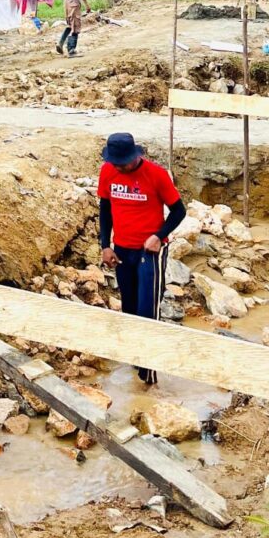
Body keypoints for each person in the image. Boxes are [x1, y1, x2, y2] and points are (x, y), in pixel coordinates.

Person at [97, 132, 187, 387]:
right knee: (129, 309)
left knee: (148, 310)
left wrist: (159, 236)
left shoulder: (156, 175)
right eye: (115, 163)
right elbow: (105, 209)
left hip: (150, 252)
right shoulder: (108, 172)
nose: (119, 167)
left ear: (135, 157)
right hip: (122, 250)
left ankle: (150, 378)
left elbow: (179, 211)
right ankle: (136, 363)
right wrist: (105, 245)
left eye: (123, 163)